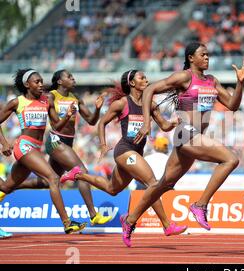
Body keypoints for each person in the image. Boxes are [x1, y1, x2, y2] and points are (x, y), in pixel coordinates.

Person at [121, 42, 244, 246]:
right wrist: (147, 122)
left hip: (195, 138)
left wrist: (240, 83)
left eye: (208, 54)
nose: (207, 58)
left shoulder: (212, 81)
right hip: (186, 133)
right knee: (230, 159)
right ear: (191, 58)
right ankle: (200, 205)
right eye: (203, 55)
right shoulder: (184, 77)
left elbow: (233, 105)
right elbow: (150, 91)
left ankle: (129, 220)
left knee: (164, 184)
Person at [59, 70, 187, 245]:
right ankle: (165, 225)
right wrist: (103, 145)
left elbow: (164, 126)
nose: (147, 79)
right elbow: (102, 123)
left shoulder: (150, 104)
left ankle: (78, 175)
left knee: (112, 189)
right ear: (132, 83)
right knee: (152, 183)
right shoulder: (122, 104)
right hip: (124, 150)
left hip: (136, 152)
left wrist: (174, 123)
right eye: (142, 77)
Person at [12, 70, 112, 226]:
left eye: (73, 76)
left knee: (48, 182)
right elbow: (55, 124)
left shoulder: (76, 99)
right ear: (59, 81)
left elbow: (92, 121)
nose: (73, 79)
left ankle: (13, 186)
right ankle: (93, 215)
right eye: (69, 77)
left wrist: (98, 109)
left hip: (68, 142)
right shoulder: (50, 97)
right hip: (55, 141)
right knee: (82, 172)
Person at [0, 69, 86, 234]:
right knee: (53, 178)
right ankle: (67, 223)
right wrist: (4, 143)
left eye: (41, 81)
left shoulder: (46, 101)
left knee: (6, 187)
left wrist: (67, 116)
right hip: (24, 146)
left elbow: (57, 126)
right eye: (37, 82)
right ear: (27, 85)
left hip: (35, 147)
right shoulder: (17, 102)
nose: (41, 84)